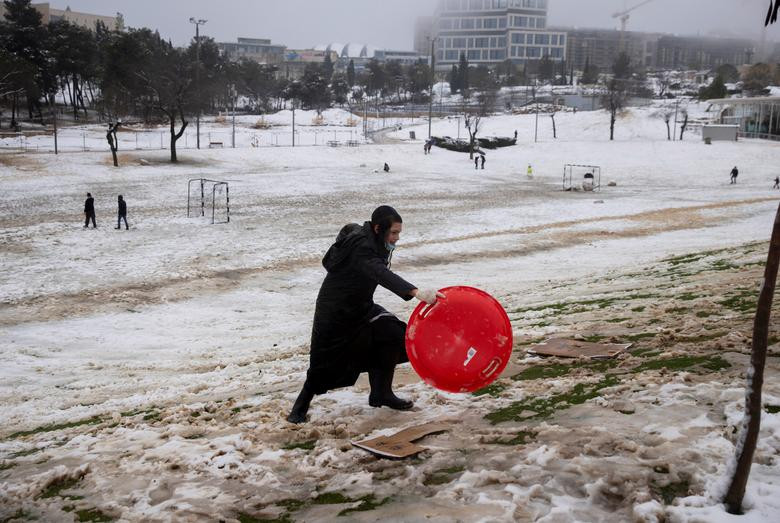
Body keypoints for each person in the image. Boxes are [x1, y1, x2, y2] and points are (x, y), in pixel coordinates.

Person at [286, 206, 443, 424]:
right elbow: (380, 273)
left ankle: (382, 393)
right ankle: (299, 408)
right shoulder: (362, 247)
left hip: (361, 307)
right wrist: (416, 292)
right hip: (336, 312)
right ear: (378, 228)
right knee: (325, 361)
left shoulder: (372, 239)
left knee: (393, 336)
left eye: (399, 233)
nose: (397, 238)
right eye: (394, 233)